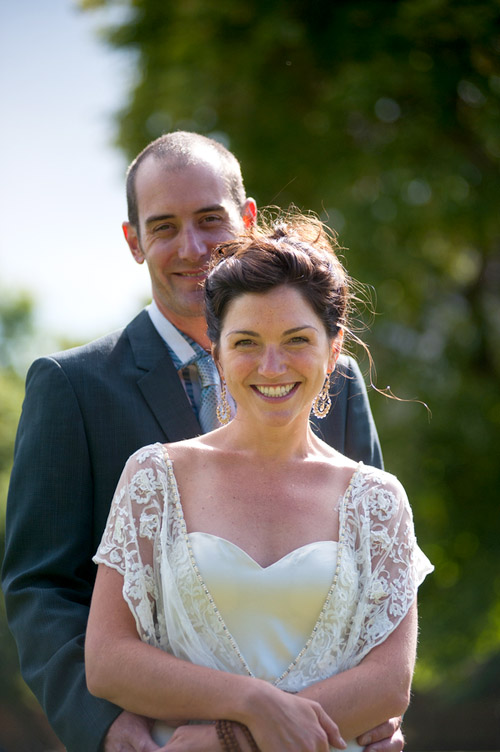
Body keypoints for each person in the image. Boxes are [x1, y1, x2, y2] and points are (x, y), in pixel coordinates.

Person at [3, 131, 399, 752]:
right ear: (135, 242)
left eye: (210, 219)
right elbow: (40, 586)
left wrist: (370, 716)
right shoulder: (72, 388)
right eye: (163, 227)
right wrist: (106, 728)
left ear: (246, 220)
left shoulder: (336, 379)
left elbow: (376, 579)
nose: (192, 247)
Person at [85, 213, 433, 752]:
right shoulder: (154, 476)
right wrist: (253, 704)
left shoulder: (376, 499)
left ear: (333, 349)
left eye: (297, 339)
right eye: (247, 342)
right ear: (218, 353)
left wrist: (230, 741)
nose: (272, 366)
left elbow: (390, 684)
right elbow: (108, 662)